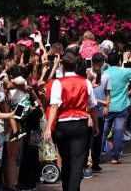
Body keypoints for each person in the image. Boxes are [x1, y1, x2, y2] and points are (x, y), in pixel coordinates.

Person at [44, 49, 94, 191]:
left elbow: (54, 106)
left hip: (63, 126)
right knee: (77, 162)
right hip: (80, 124)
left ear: (62, 66)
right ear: (77, 66)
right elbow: (93, 106)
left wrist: (48, 127)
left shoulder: (58, 83)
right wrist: (95, 124)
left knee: (66, 161)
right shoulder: (86, 82)